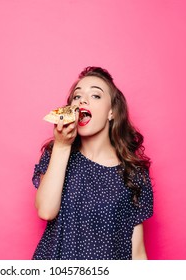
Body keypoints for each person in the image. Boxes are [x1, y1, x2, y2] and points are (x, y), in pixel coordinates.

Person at [32, 66, 153, 260]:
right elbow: (46, 210)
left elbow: (137, 251)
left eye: (95, 96)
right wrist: (62, 147)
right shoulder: (56, 154)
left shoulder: (133, 173)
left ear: (111, 112)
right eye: (77, 97)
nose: (82, 101)